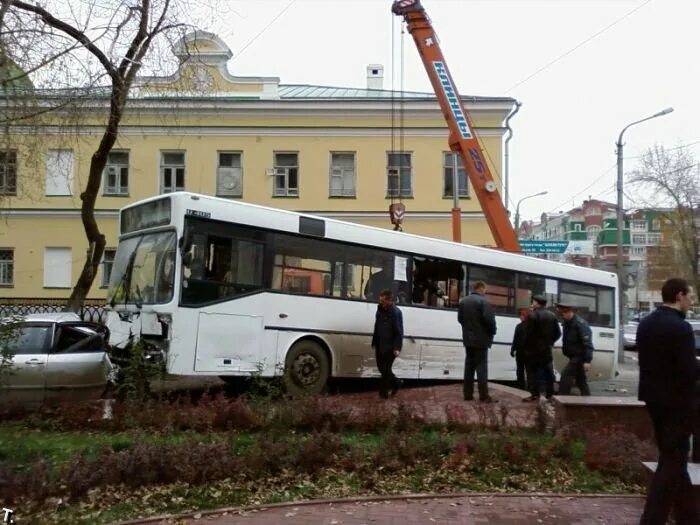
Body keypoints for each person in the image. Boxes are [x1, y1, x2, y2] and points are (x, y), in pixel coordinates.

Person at [637, 277, 699, 524]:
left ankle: (688, 517)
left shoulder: (646, 323)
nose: (691, 301)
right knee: (672, 461)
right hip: (678, 403)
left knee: (674, 457)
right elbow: (687, 371)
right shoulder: (681, 328)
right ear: (680, 296)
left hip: (653, 399)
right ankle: (652, 518)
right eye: (690, 296)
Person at [457, 281, 497, 402]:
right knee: (481, 368)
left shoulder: (464, 301)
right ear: (481, 288)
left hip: (468, 339)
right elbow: (489, 321)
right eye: (485, 289)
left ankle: (467, 394)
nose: (485, 292)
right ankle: (484, 396)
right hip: (481, 340)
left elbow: (460, 319)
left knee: (469, 367)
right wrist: (492, 332)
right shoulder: (484, 302)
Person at [522, 294, 561, 402]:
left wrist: (526, 347)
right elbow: (558, 333)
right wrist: (549, 342)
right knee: (548, 372)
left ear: (537, 303)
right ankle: (550, 394)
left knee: (532, 373)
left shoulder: (532, 316)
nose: (532, 304)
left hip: (533, 350)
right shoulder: (552, 316)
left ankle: (535, 394)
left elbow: (528, 334)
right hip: (546, 350)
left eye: (533, 302)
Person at [371, 288, 403, 399]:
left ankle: (383, 394)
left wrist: (397, 348)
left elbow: (399, 332)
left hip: (390, 346)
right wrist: (374, 341)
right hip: (380, 344)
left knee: (385, 370)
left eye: (383, 301)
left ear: (389, 300)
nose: (381, 302)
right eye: (380, 300)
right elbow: (377, 327)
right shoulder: (379, 311)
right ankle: (396, 383)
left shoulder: (396, 312)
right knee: (382, 368)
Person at [556, 302, 593, 396]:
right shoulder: (567, 323)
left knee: (565, 375)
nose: (562, 316)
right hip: (573, 355)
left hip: (579, 355)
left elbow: (587, 344)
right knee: (580, 380)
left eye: (563, 313)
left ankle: (562, 399)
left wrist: (587, 360)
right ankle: (588, 400)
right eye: (560, 314)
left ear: (570, 312)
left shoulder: (580, 324)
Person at [510, 308, 529, 390]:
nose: (520, 317)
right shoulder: (532, 326)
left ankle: (521, 386)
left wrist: (512, 350)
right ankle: (530, 387)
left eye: (521, 315)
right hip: (529, 352)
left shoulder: (519, 326)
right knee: (529, 370)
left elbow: (515, 339)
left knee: (520, 370)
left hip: (520, 351)